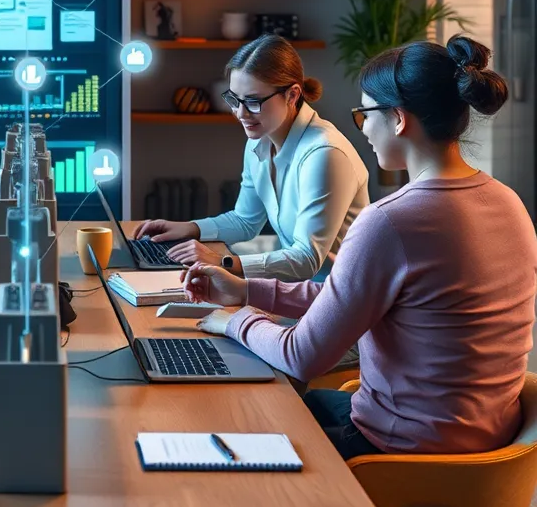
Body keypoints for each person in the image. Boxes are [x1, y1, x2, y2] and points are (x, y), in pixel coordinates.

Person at [185, 36, 537, 458]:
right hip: (489, 436)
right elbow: (351, 297)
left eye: (365, 113)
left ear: (399, 120)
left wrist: (235, 321)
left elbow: (302, 356)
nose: (363, 128)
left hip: (409, 447)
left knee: (248, 421)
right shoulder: (508, 201)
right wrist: (246, 291)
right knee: (310, 403)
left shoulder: (390, 221)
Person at [134, 33, 369, 281]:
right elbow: (245, 221)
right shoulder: (260, 139)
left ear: (292, 95)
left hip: (337, 298)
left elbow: (305, 259)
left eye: (254, 102)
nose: (240, 113)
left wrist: (221, 262)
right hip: (296, 292)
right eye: (234, 100)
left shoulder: (324, 154)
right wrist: (189, 228)